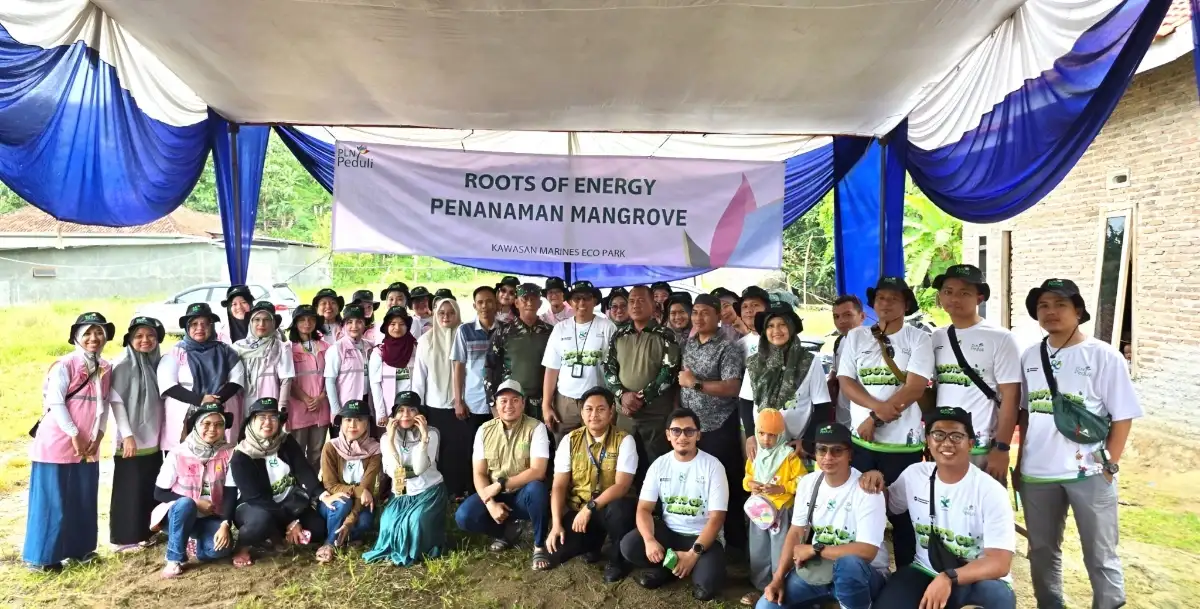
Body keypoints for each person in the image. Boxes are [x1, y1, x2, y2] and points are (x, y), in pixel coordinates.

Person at [1017, 278, 1142, 609]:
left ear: (1078, 311)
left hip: (1089, 473)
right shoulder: (1030, 356)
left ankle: (1108, 603)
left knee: (1100, 553)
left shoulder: (1105, 356)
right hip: (1037, 474)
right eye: (1044, 305)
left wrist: (1109, 465)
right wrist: (1019, 464)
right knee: (1042, 550)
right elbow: (1026, 415)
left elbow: (1123, 416)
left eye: (1060, 304)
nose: (1051, 312)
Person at [865, 407, 1017, 609]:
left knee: (995, 598)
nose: (947, 442)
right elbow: (888, 506)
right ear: (928, 441)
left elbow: (999, 563)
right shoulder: (914, 475)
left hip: (978, 578)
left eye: (956, 436)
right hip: (925, 570)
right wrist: (877, 479)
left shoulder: (990, 491)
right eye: (938, 435)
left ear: (970, 444)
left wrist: (949, 577)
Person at [836, 276, 933, 568]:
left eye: (893, 298)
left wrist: (875, 417)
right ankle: (863, 575)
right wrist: (875, 411)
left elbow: (916, 386)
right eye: (881, 298)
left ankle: (906, 576)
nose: (886, 303)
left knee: (904, 517)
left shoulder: (919, 338)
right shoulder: (856, 337)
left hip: (903, 447)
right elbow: (846, 381)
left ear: (906, 303)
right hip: (861, 442)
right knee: (861, 510)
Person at [24, 312, 123, 571]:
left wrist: (99, 435)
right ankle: (43, 557)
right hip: (58, 441)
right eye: (88, 333)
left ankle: (81, 550)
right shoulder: (65, 364)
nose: (94, 338)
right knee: (51, 499)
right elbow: (56, 402)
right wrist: (73, 434)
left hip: (88, 443)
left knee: (83, 497)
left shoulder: (106, 366)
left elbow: (104, 406)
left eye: (99, 332)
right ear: (77, 337)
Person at [756, 422, 889, 609]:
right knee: (766, 607)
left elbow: (867, 552)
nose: (828, 457)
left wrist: (815, 549)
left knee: (849, 564)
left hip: (864, 574)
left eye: (837, 451)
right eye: (822, 450)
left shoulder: (866, 488)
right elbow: (795, 532)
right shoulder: (808, 483)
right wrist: (778, 578)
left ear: (849, 454)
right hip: (818, 569)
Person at [620, 408, 728, 601]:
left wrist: (693, 555)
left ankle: (679, 566)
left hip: (701, 538)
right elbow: (644, 509)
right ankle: (667, 569)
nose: (682, 436)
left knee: (706, 589)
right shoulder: (659, 465)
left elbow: (717, 518)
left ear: (698, 435)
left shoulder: (713, 466)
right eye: (676, 431)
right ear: (668, 435)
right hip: (669, 534)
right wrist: (649, 540)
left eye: (689, 431)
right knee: (630, 545)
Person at [931, 264, 1021, 480]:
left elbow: (1011, 395)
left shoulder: (1000, 338)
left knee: (985, 512)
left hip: (982, 449)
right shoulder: (936, 338)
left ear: (979, 298)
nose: (955, 298)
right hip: (944, 446)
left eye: (965, 293)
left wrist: (1001, 448)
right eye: (948, 292)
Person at [454, 380, 552, 571]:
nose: (509, 406)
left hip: (524, 494)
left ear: (523, 404)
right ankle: (506, 532)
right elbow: (479, 473)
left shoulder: (536, 428)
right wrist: (490, 504)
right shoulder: (484, 430)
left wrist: (501, 484)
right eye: (503, 401)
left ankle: (539, 545)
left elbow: (538, 471)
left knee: (538, 489)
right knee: (464, 516)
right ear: (495, 405)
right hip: (496, 495)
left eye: (515, 400)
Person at [546, 387, 638, 581]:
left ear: (611, 411)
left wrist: (590, 508)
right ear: (581, 412)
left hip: (609, 508)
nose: (594, 415)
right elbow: (559, 486)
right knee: (557, 552)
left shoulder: (625, 440)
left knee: (620, 510)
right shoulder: (569, 441)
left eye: (600, 409)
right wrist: (556, 524)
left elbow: (622, 486)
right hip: (580, 509)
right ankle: (593, 544)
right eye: (588, 409)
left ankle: (617, 559)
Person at [679, 293, 747, 551]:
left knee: (726, 485)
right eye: (695, 312)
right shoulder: (691, 343)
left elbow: (733, 386)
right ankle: (703, 540)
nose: (699, 317)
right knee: (699, 484)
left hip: (719, 426)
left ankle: (737, 546)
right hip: (693, 429)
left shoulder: (726, 346)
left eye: (705, 312)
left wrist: (696, 384)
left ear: (719, 316)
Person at [230, 398, 327, 567]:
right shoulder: (241, 456)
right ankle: (243, 546)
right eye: (261, 417)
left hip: (288, 502)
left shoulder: (285, 441)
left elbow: (303, 469)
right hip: (254, 507)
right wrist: (292, 522)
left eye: (273, 417)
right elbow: (256, 498)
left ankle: (277, 537)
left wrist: (321, 493)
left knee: (319, 529)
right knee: (260, 522)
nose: (268, 422)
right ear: (251, 421)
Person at [151, 403, 237, 579]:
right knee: (186, 503)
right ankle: (174, 558)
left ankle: (194, 543)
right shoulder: (177, 453)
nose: (212, 429)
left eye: (218, 424)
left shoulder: (229, 453)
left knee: (220, 551)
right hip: (178, 516)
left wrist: (225, 524)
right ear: (196, 426)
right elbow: (159, 493)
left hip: (210, 518)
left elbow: (231, 492)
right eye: (206, 424)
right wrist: (196, 503)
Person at [365, 390, 448, 566]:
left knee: (415, 522)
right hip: (402, 491)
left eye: (412, 410)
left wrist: (423, 439)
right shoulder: (388, 437)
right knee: (388, 522)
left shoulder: (432, 434)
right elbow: (393, 470)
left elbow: (418, 469)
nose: (406, 415)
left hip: (428, 491)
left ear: (420, 414)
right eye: (401, 410)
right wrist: (391, 441)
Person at [603, 285, 682, 465]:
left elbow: (669, 372)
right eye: (631, 301)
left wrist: (640, 397)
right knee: (625, 464)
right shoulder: (619, 335)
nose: (635, 305)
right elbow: (608, 368)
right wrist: (622, 395)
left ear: (653, 305)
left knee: (657, 463)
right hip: (625, 414)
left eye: (641, 301)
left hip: (655, 415)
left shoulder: (666, 335)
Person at [109, 316, 167, 553]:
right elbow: (116, 402)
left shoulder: (157, 363)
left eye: (151, 336)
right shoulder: (122, 364)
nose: (145, 340)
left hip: (153, 438)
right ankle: (125, 538)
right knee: (129, 488)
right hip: (131, 440)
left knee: (148, 486)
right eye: (139, 336)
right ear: (130, 340)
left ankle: (146, 532)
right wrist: (127, 435)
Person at [742, 304, 829, 456]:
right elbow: (745, 401)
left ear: (791, 328)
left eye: (783, 324)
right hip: (762, 446)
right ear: (764, 331)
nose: (776, 330)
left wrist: (807, 442)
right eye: (770, 326)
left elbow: (823, 407)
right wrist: (750, 436)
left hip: (794, 448)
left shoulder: (809, 361)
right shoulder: (754, 364)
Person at [742, 409, 809, 605]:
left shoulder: (789, 456)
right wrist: (751, 485)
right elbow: (747, 478)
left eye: (772, 435)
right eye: (761, 433)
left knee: (780, 551)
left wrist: (782, 487)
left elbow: (804, 481)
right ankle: (759, 588)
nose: (766, 439)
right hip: (758, 512)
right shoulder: (755, 455)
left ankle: (780, 585)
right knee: (758, 549)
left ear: (781, 435)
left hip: (781, 512)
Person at [158, 303, 244, 448]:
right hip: (185, 411)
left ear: (212, 326)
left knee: (218, 458)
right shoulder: (175, 352)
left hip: (219, 410)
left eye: (205, 324)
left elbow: (236, 379)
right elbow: (168, 385)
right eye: (194, 324)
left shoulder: (226, 351)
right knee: (184, 458)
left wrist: (215, 400)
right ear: (187, 327)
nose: (200, 328)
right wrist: (200, 399)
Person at [542, 280, 617, 443]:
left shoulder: (607, 327)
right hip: (565, 402)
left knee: (598, 445)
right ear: (569, 302)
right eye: (577, 298)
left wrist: (612, 404)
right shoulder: (560, 329)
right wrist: (546, 405)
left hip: (598, 400)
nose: (582, 303)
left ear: (595, 301)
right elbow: (551, 369)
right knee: (564, 447)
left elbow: (614, 369)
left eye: (587, 298)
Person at [413, 297, 474, 499]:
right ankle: (443, 490)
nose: (446, 317)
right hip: (435, 405)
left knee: (462, 448)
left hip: (463, 404)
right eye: (441, 313)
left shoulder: (465, 336)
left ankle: (461, 489)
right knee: (441, 449)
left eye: (451, 313)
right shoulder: (425, 340)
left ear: (457, 314)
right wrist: (417, 407)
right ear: (435, 315)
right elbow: (420, 377)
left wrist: (461, 399)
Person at [317, 399, 382, 562]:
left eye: (359, 420)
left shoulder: (374, 450)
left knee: (365, 522)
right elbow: (330, 485)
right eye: (348, 420)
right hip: (334, 503)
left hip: (360, 504)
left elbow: (366, 488)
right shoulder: (331, 447)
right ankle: (330, 543)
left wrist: (349, 521)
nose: (353, 425)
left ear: (367, 423)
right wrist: (359, 490)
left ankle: (344, 532)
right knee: (343, 501)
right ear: (341, 423)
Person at [485, 283, 554, 421]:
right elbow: (489, 368)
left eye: (533, 299)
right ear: (516, 303)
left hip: (541, 402)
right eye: (525, 299)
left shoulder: (550, 332)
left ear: (540, 303)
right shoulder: (503, 332)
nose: (529, 303)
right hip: (511, 402)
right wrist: (493, 403)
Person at [231, 301, 296, 438]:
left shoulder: (280, 347)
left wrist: (281, 408)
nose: (262, 324)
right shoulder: (238, 347)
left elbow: (286, 379)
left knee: (269, 439)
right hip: (244, 402)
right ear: (250, 322)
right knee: (246, 439)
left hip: (269, 402)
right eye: (257, 320)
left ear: (273, 323)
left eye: (267, 320)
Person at [285, 305, 329, 470]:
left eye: (311, 319)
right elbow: (288, 380)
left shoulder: (326, 347)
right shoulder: (288, 349)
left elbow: (331, 376)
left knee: (317, 451)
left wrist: (321, 397)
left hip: (321, 405)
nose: (307, 323)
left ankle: (314, 491)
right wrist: (305, 399)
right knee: (297, 450)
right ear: (295, 323)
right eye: (302, 319)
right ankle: (297, 489)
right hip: (298, 407)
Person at [452, 285, 499, 427]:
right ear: (474, 305)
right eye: (480, 302)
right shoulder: (465, 330)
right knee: (475, 445)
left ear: (496, 304)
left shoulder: (505, 329)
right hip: (474, 402)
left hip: (501, 402)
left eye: (489, 301)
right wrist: (458, 402)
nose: (485, 306)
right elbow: (459, 367)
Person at [368, 306, 417, 431]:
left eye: (402, 324)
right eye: (393, 324)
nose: (397, 328)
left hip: (411, 410)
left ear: (407, 327)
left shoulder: (415, 349)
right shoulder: (379, 352)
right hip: (388, 411)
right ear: (386, 327)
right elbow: (375, 384)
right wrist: (381, 413)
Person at [324, 304, 372, 420]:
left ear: (364, 324)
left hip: (367, 401)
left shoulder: (370, 346)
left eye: (359, 321)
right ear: (343, 325)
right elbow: (330, 381)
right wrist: (336, 410)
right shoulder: (336, 349)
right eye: (349, 322)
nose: (354, 326)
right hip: (345, 405)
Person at [829, 295, 866, 427]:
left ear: (862, 316)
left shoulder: (874, 343)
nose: (841, 321)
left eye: (847, 315)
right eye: (836, 317)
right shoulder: (839, 341)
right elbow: (834, 372)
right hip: (843, 416)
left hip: (866, 417)